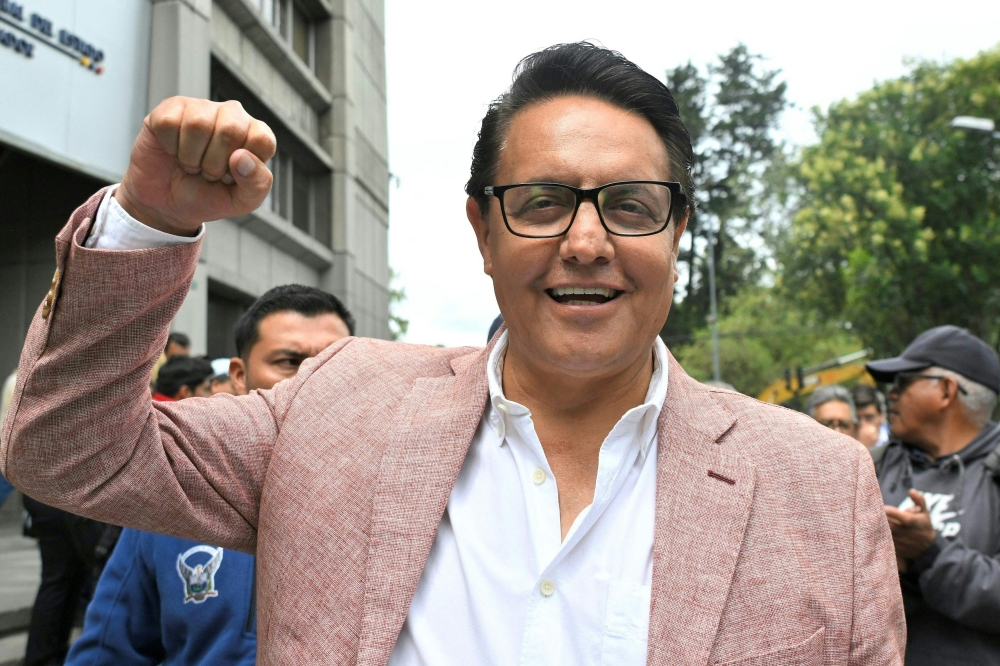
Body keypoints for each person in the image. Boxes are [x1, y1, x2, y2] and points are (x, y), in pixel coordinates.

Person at [2, 43, 904, 664]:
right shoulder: (338, 408)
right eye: (543, 201)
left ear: (678, 232)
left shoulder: (817, 485)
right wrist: (149, 222)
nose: (587, 242)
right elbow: (66, 449)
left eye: (631, 205)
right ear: (481, 229)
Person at [64, 284, 353, 666]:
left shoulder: (405, 510)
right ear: (239, 374)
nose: (316, 381)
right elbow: (108, 652)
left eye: (334, 365)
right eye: (289, 361)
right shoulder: (176, 498)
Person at [866, 325, 1000, 665]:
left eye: (903, 382)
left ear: (945, 391)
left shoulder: (993, 472)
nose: (890, 394)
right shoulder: (874, 465)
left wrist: (930, 553)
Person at [852, 384, 888, 448]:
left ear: (882, 416)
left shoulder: (896, 439)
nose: (863, 424)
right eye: (857, 418)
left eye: (869, 418)